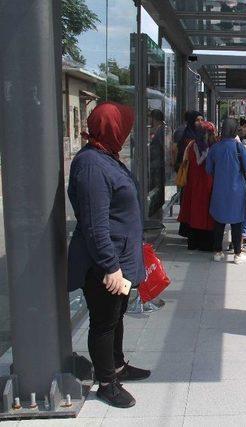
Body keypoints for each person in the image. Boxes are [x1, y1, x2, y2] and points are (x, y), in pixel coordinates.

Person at [68, 102, 149, 408]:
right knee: (103, 322)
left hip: (119, 258)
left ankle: (117, 366)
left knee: (116, 317)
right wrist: (110, 266)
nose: (127, 133)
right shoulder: (91, 165)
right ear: (112, 128)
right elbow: (94, 223)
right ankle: (106, 383)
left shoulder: (107, 156)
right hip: (104, 263)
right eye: (124, 127)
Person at [206, 118, 246, 264]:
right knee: (237, 222)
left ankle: (217, 252)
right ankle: (238, 254)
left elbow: (208, 170)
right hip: (237, 191)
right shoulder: (239, 148)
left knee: (219, 222)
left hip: (219, 190)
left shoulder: (214, 148)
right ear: (235, 130)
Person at [177, 116, 217, 251]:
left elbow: (187, 161)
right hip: (208, 183)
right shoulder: (213, 146)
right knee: (206, 213)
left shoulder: (191, 145)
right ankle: (206, 243)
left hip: (193, 184)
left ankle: (194, 242)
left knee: (194, 212)